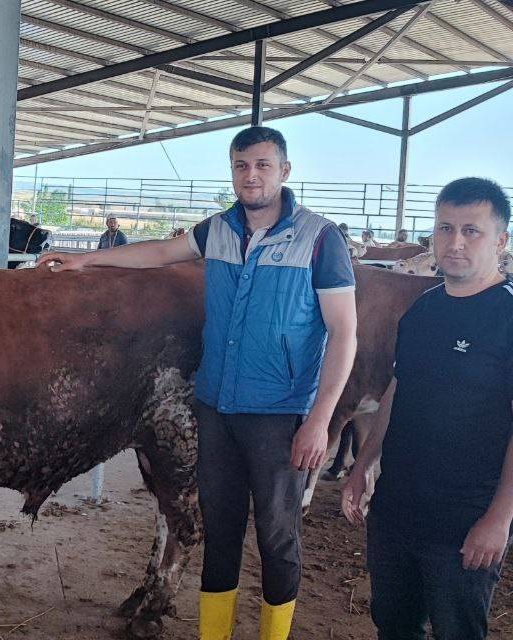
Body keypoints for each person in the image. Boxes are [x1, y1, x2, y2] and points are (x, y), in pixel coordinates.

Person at [38, 126, 357, 640]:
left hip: (279, 415)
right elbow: (160, 254)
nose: (251, 176)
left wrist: (320, 421)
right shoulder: (218, 230)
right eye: (241, 166)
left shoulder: (320, 240)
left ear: (284, 171)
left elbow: (345, 332)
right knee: (221, 531)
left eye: (262, 165)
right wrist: (87, 259)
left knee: (277, 538)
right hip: (216, 408)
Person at [342, 177, 513, 640]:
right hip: (396, 508)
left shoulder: (508, 316)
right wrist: (363, 465)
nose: (454, 243)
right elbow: (400, 389)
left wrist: (500, 517)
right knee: (394, 625)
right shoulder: (422, 310)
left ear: (501, 240)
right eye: (445, 228)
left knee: (458, 629)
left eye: (471, 231)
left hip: (465, 518)